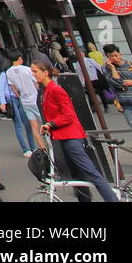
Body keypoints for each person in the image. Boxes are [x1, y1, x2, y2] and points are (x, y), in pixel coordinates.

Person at [32, 58, 118, 202]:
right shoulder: (47, 90)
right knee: (78, 173)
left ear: (45, 72)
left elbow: (69, 115)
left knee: (90, 172)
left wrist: (51, 124)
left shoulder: (55, 89)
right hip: (64, 136)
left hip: (71, 137)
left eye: (35, 71)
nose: (33, 74)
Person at [3, 50, 47, 155]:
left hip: (25, 101)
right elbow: (36, 83)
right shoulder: (28, 70)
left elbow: (13, 88)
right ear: (19, 59)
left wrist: (20, 96)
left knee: (33, 126)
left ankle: (43, 148)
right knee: (45, 123)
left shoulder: (8, 72)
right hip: (35, 99)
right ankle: (51, 145)